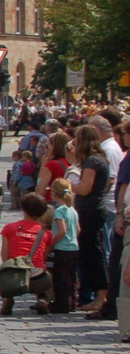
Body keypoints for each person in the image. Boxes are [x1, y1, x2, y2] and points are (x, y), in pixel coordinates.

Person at [72, 126, 113, 317]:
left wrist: (66, 184)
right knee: (92, 254)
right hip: (92, 210)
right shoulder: (99, 159)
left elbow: (85, 188)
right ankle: (98, 296)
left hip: (90, 211)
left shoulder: (93, 161)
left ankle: (100, 297)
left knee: (94, 256)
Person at [0, 195, 53, 314]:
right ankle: (43, 300)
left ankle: (7, 297)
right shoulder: (46, 233)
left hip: (13, 278)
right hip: (37, 278)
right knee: (49, 279)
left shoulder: (10, 228)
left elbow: (5, 255)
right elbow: (43, 257)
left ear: (23, 209)